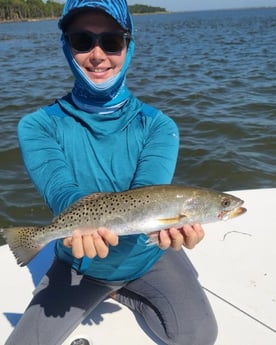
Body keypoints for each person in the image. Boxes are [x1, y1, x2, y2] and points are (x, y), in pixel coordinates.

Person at [6, 1, 217, 344]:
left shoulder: (159, 126)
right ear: (66, 46)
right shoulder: (37, 126)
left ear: (128, 46)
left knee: (199, 336)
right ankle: (103, 288)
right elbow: (60, 190)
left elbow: (149, 193)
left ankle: (125, 290)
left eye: (112, 41)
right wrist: (81, 223)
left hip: (147, 257)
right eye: (82, 40)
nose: (98, 54)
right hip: (77, 261)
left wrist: (173, 229)